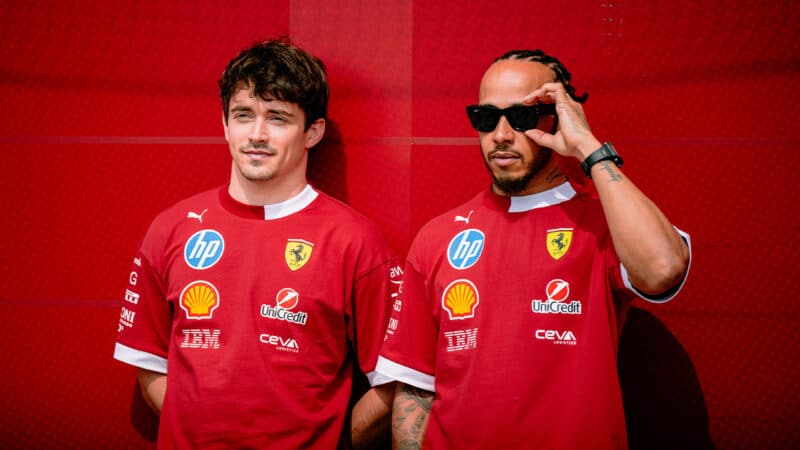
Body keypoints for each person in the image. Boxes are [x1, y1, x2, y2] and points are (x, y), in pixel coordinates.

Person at [375, 49, 692, 449]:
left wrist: (588, 148)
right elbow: (417, 388)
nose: (502, 135)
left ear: (556, 118)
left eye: (522, 117)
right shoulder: (437, 237)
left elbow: (663, 268)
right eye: (486, 118)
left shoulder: (603, 223)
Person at [113, 38, 399, 449]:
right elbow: (150, 368)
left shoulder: (355, 240)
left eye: (278, 118)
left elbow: (392, 384)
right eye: (244, 115)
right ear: (225, 124)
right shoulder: (171, 229)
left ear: (312, 132)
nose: (257, 135)